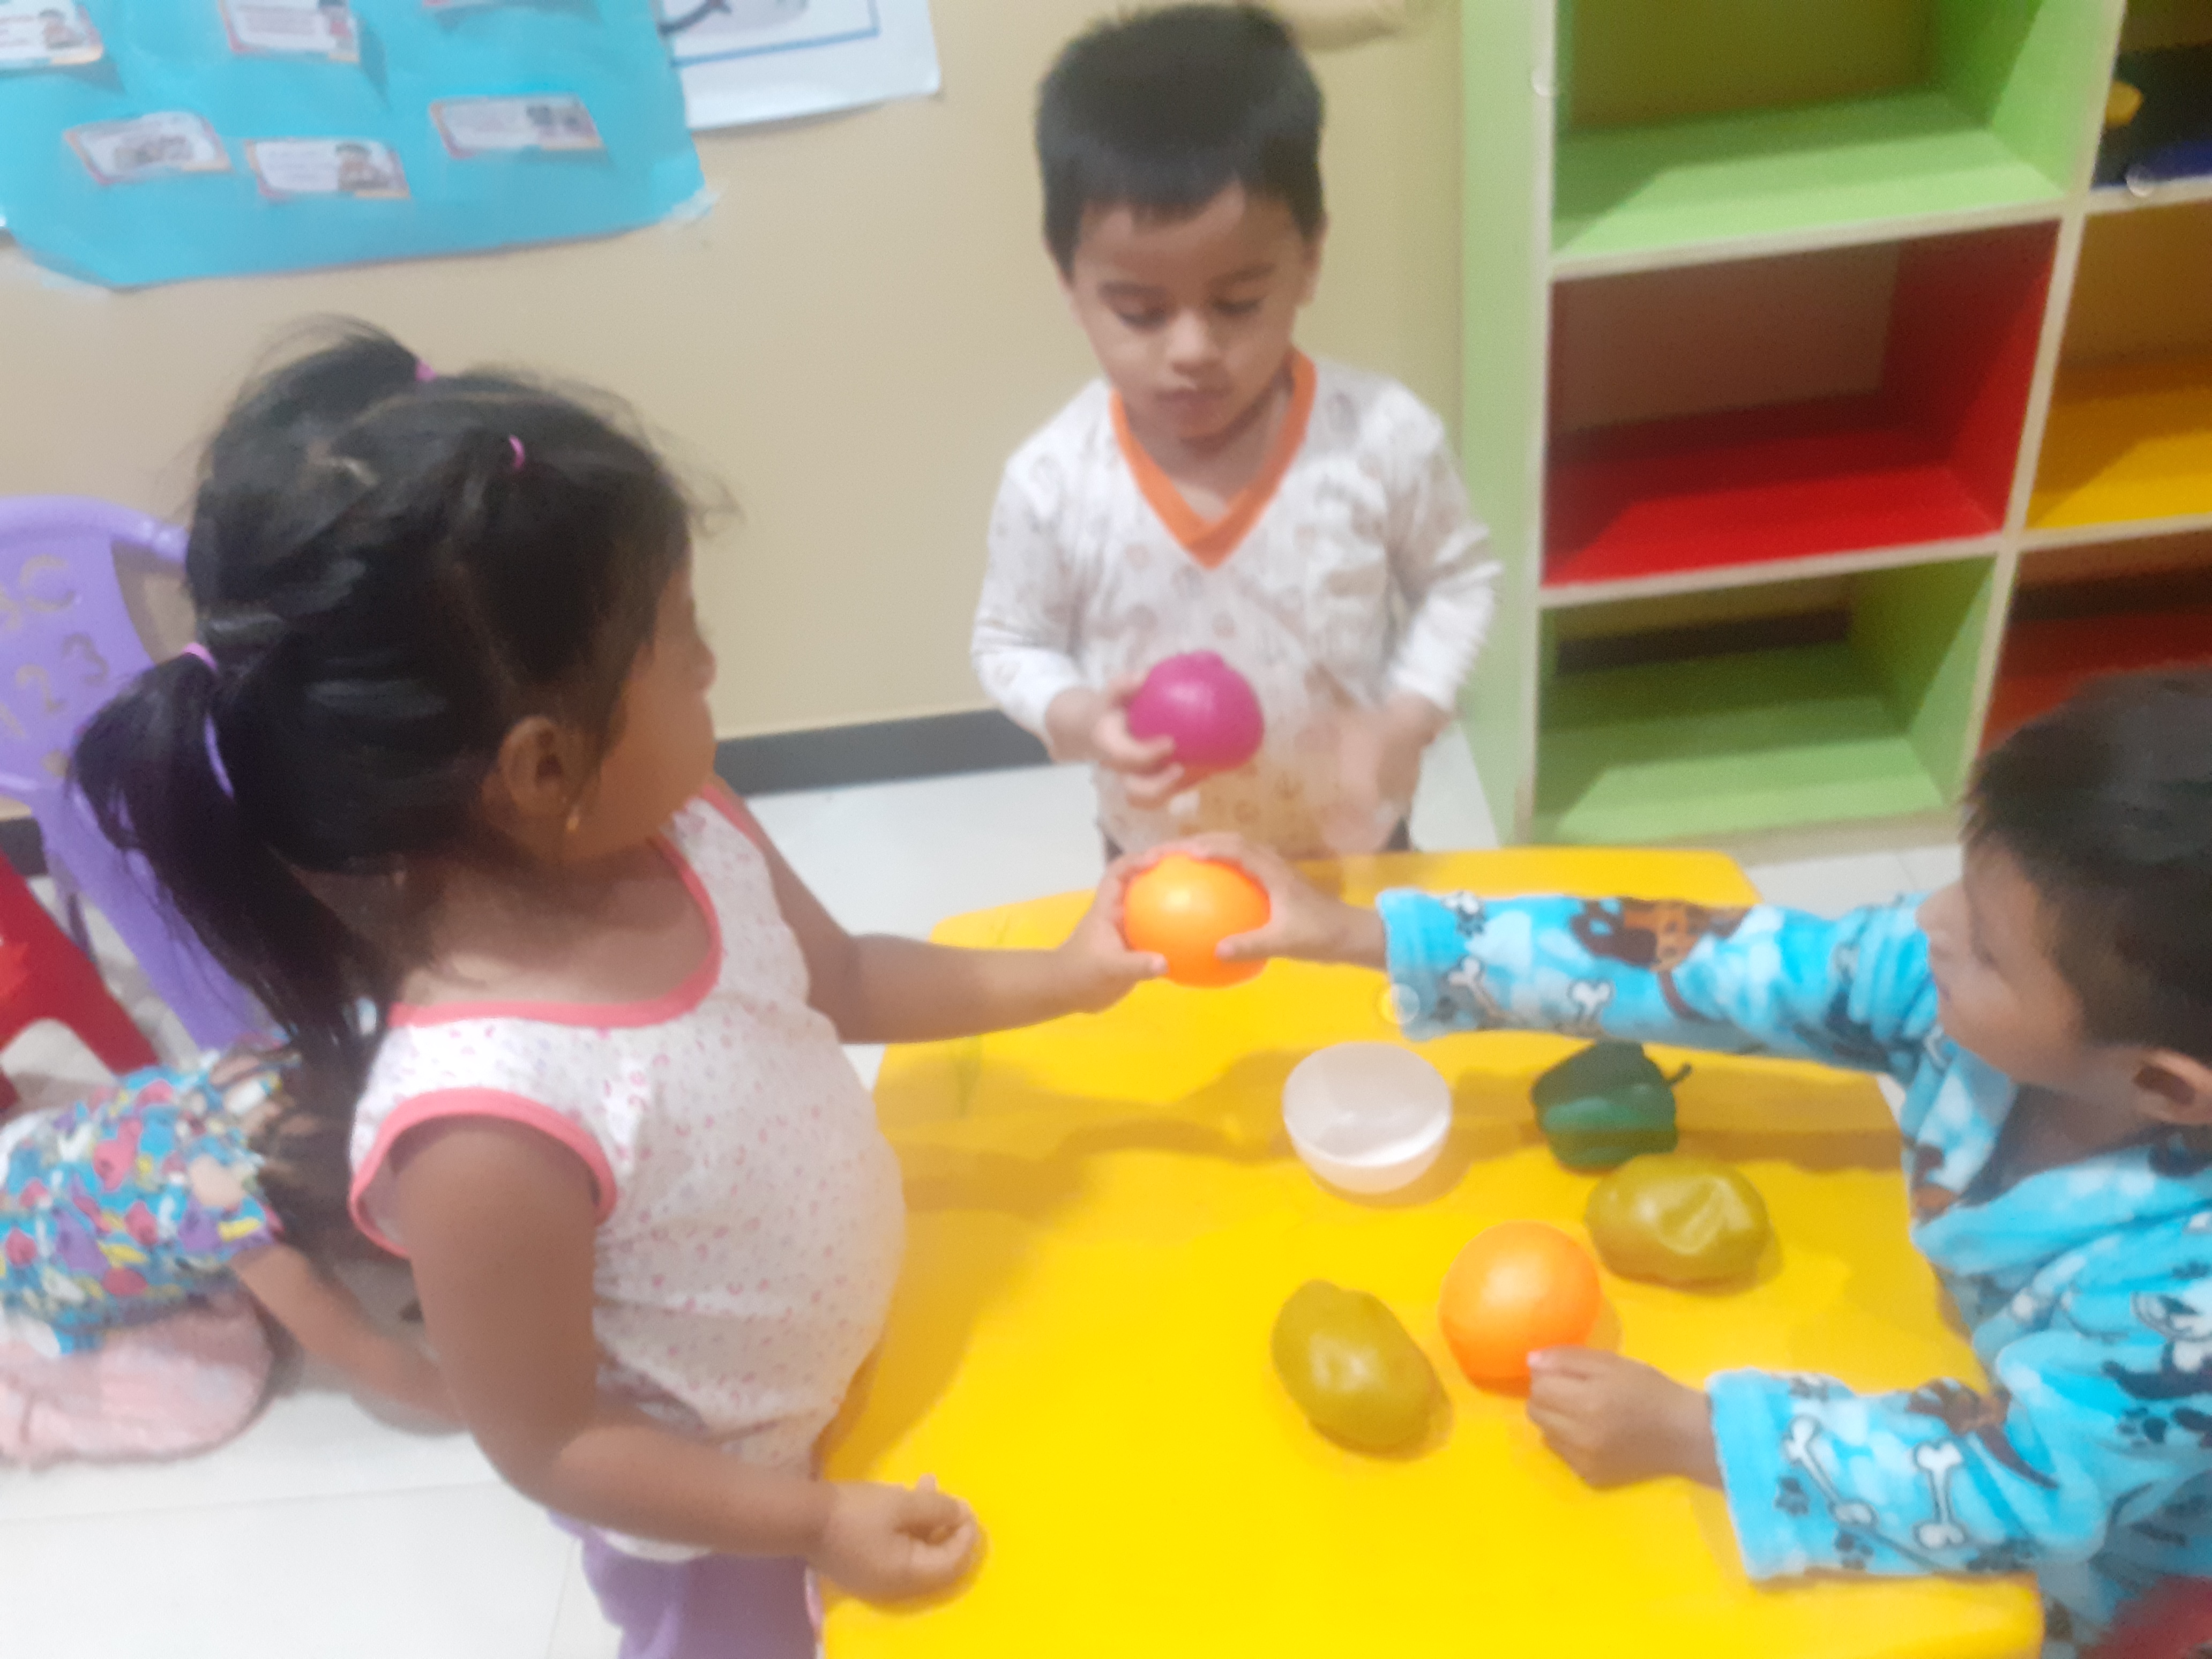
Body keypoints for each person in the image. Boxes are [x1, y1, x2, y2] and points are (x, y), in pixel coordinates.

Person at [71, 322, 1163, 1657]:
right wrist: (810, 1520)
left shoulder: (689, 828)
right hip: (730, 1535)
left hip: (872, 1394)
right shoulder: (485, 1124)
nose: (711, 667)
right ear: (543, 770)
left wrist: (1066, 975)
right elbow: (552, 1441)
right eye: (680, 639)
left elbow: (841, 977)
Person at [1195, 671, 2212, 1658]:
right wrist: (1373, 935)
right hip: (1994, 1381)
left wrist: (1701, 1433)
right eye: (1962, 891)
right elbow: (1719, 965)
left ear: (2163, 1088)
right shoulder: (1962, 992)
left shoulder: (2186, 1302)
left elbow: (2022, 1494)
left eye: (1986, 949)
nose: (1928, 923)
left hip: (2112, 1562)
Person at [971, 3, 1496, 861]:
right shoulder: (1055, 481)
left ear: (1310, 259)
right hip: (1160, 857)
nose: (1192, 351)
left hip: (1352, 846)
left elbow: (1460, 582)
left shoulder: (1381, 438)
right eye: (1140, 312)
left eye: (1239, 302)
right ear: (1069, 280)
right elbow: (1009, 643)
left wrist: (1409, 714)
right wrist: (1081, 717)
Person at [0, 1042, 452, 1451]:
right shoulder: (246, 1230)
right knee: (220, 1397)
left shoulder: (267, 1066)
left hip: (41, 1156)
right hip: (29, 1266)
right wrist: (467, 1405)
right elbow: (363, 1350)